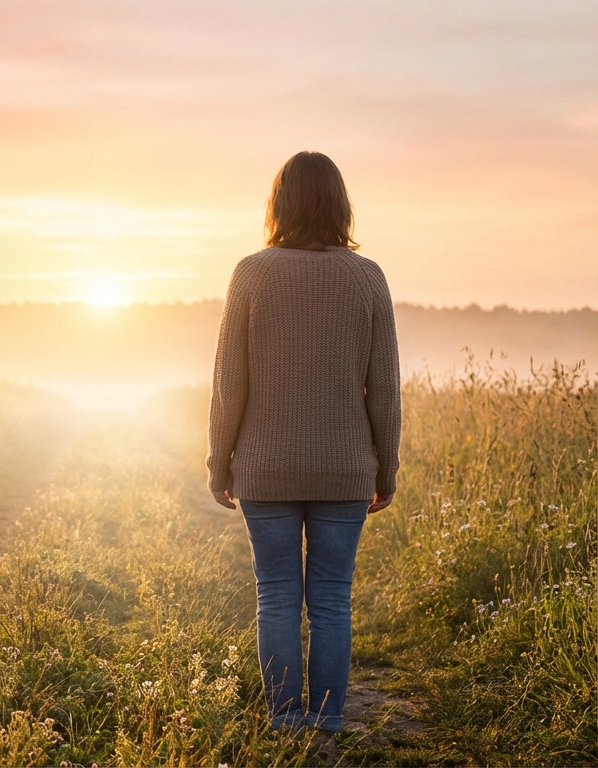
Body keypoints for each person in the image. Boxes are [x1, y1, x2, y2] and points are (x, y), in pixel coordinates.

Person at [206, 151, 401, 753]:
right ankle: (330, 722)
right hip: (346, 468)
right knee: (332, 599)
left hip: (264, 468)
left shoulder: (250, 274)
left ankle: (286, 721)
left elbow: (227, 380)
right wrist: (386, 468)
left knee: (278, 594)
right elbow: (385, 385)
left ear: (279, 203)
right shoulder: (367, 277)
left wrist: (220, 461)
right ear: (340, 204)